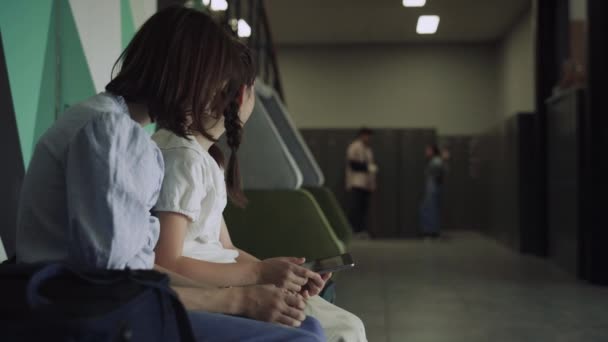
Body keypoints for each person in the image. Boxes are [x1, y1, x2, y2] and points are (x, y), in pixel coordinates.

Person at [15, 6, 323, 341]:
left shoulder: (116, 126)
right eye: (215, 82)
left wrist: (248, 289)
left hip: (96, 301)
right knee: (303, 337)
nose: (215, 98)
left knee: (305, 326)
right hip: (83, 314)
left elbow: (138, 269)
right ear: (188, 73)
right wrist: (239, 298)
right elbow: (119, 283)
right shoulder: (110, 131)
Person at [151, 64, 367, 342]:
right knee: (346, 330)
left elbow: (225, 248)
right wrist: (258, 273)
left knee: (346, 324)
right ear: (243, 95)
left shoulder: (205, 157)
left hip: (229, 283)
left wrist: (281, 276)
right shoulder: (182, 157)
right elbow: (166, 261)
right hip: (210, 292)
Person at [345, 128, 377, 238]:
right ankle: (352, 230)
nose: (369, 138)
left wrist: (372, 185)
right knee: (355, 208)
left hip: (366, 185)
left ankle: (360, 230)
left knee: (363, 208)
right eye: (367, 135)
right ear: (361, 135)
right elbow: (353, 164)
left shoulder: (368, 149)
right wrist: (367, 167)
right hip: (356, 183)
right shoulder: (355, 147)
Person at [419, 144, 448, 238]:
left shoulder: (436, 161)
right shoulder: (435, 161)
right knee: (429, 209)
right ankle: (431, 231)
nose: (426, 152)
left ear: (432, 151)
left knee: (430, 210)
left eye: (428, 150)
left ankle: (431, 232)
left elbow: (439, 175)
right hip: (432, 187)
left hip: (433, 188)